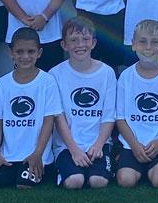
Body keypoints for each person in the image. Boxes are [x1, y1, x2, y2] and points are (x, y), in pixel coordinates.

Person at [0, 28, 61, 188]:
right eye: (19, 52)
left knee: (23, 185)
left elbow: (48, 121)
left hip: (37, 155)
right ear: (11, 53)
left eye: (31, 51)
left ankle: (44, 168)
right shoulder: (2, 84)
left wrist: (38, 153)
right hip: (9, 156)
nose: (25, 57)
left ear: (39, 53)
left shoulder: (47, 82)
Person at [114, 19, 158, 189]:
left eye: (155, 43)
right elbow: (121, 118)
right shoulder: (126, 77)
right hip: (133, 143)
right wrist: (134, 145)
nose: (148, 48)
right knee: (126, 180)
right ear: (133, 45)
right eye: (142, 42)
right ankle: (123, 159)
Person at [49, 17, 118, 190]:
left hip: (98, 143)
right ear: (64, 45)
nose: (80, 45)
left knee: (98, 182)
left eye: (85, 39)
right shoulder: (55, 74)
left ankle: (106, 166)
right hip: (68, 144)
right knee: (75, 181)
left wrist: (99, 144)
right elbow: (59, 117)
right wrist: (73, 149)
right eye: (73, 40)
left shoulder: (107, 73)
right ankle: (62, 168)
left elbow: (109, 116)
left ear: (93, 43)